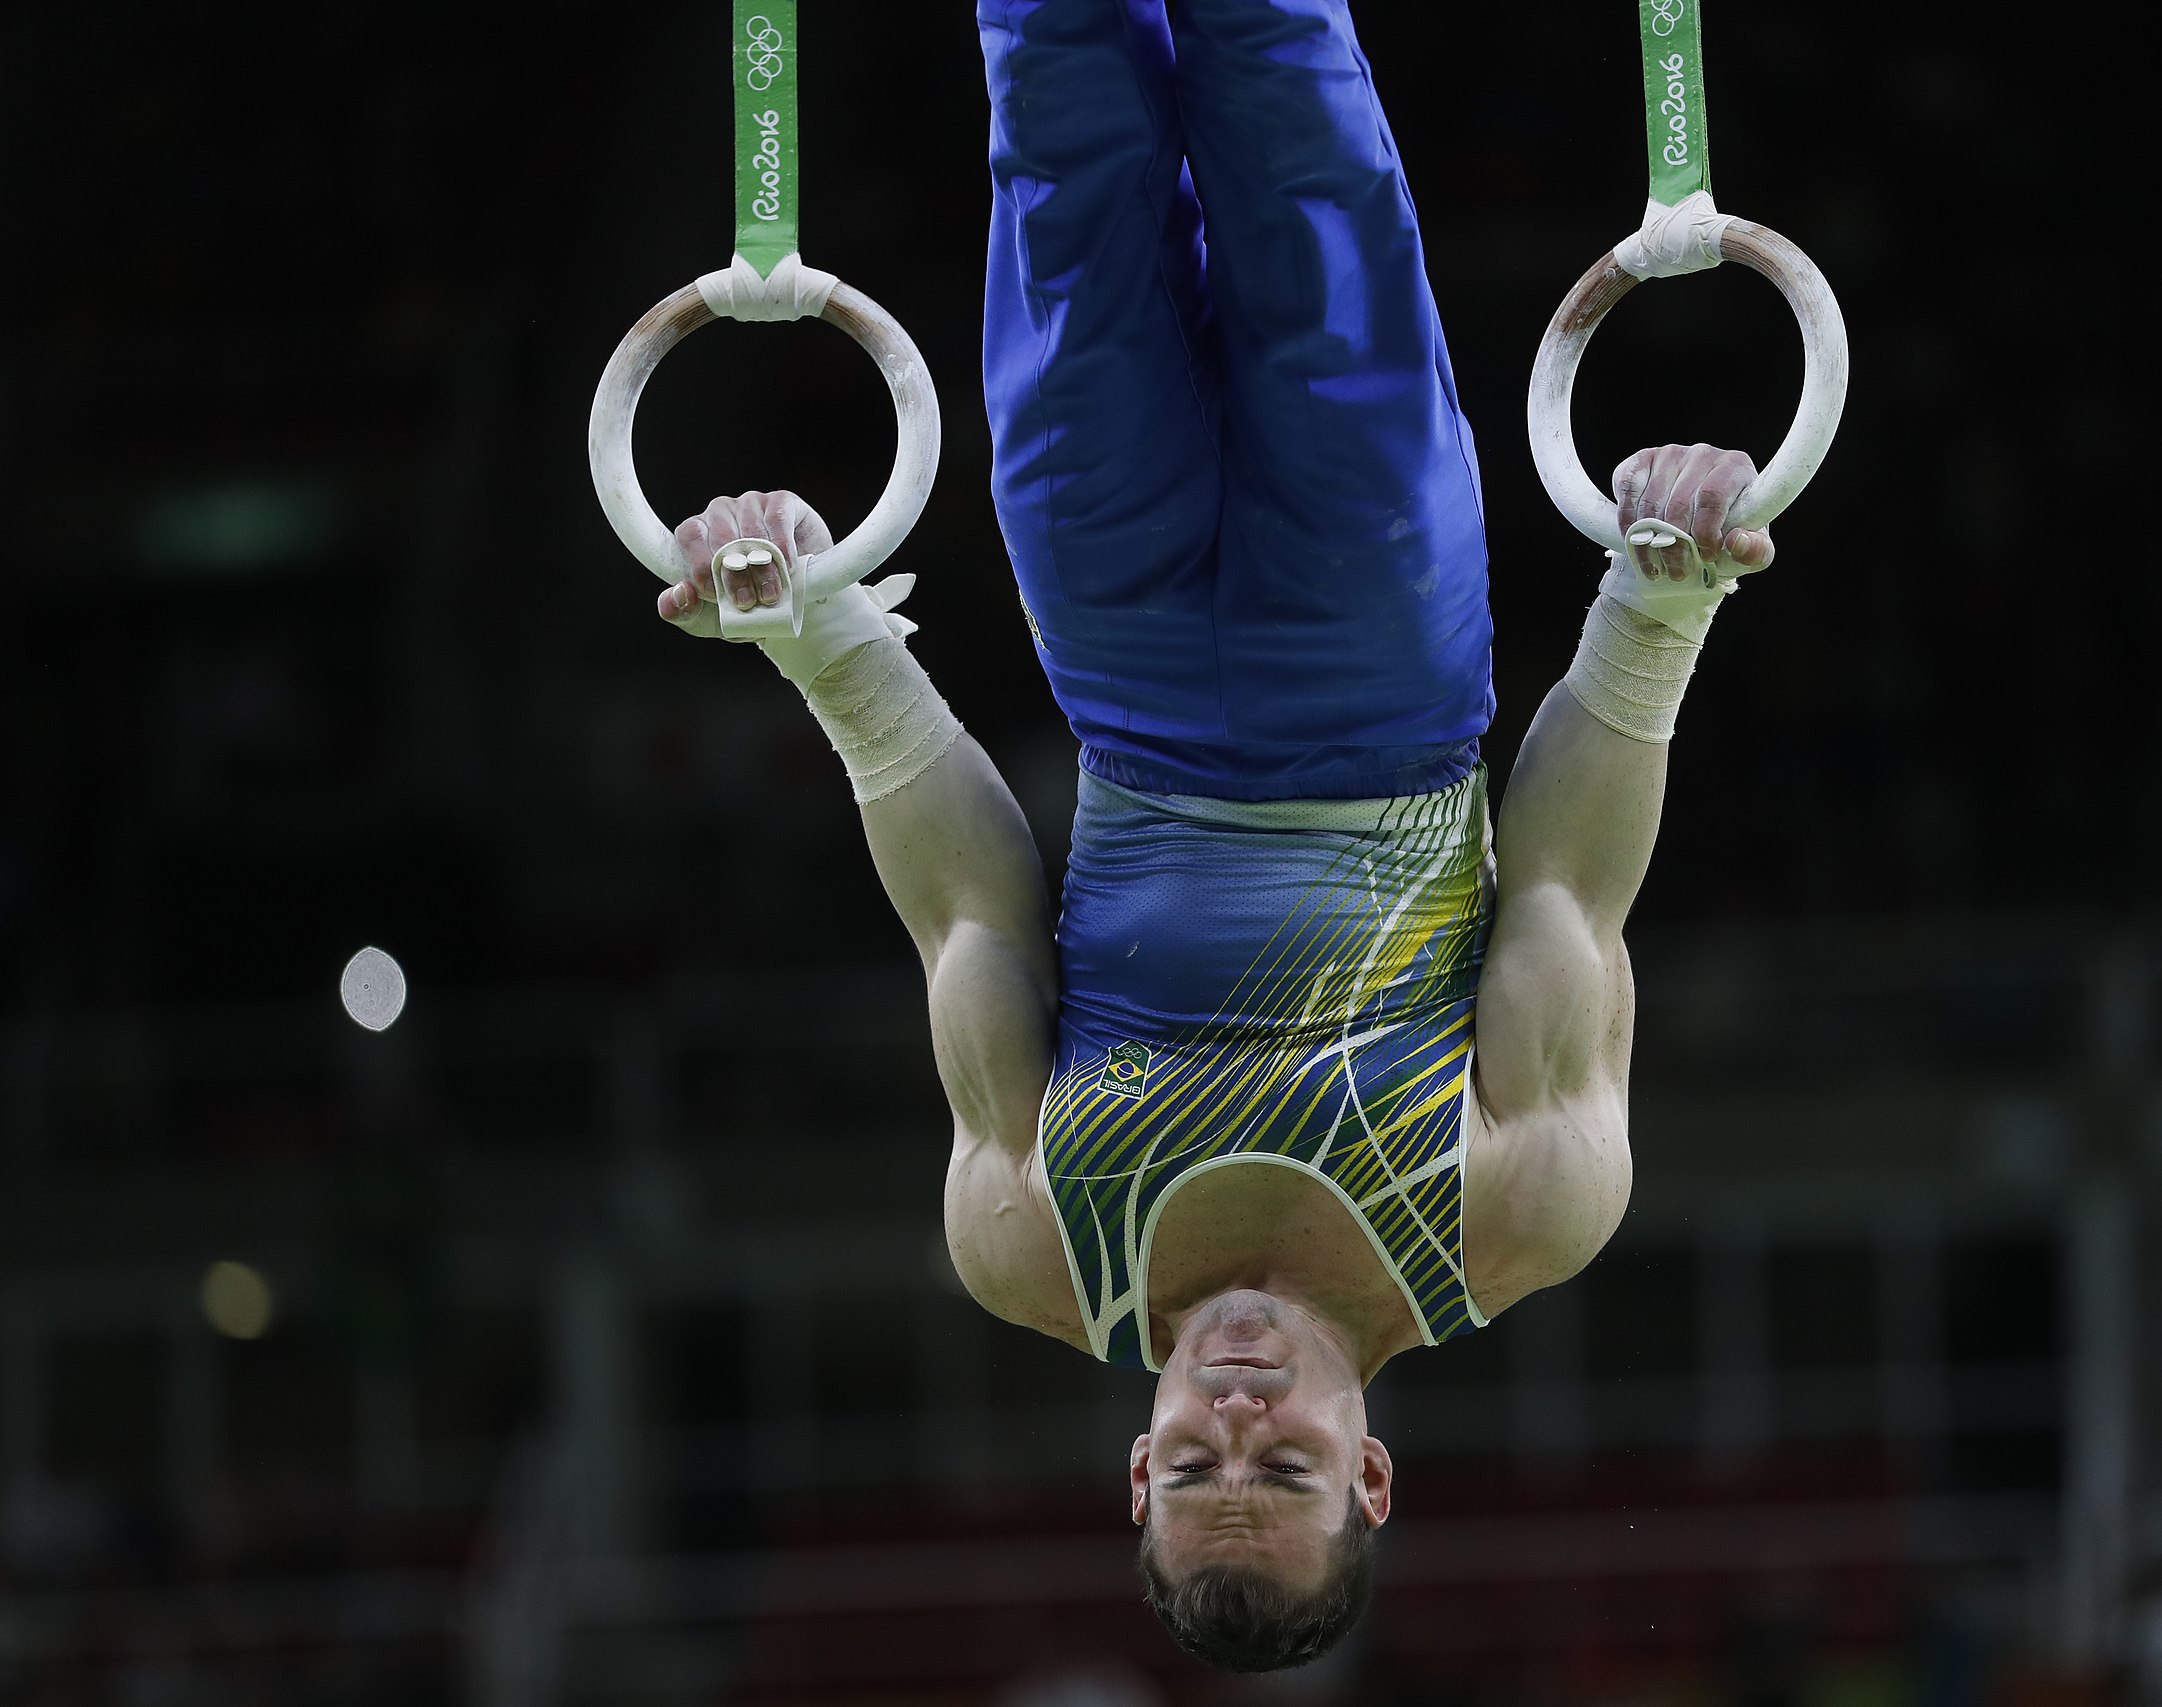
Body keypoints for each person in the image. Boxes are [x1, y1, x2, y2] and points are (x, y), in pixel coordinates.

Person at [653, 0, 1776, 1673]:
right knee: (1286, 117)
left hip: (1127, 673)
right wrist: (1657, 602)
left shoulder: (1036, 1242)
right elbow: (1565, 886)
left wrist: (820, 636)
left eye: (1196, 1463)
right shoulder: (1518, 1210)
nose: (1238, 1415)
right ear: (1372, 1473)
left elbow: (968, 912)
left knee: (1060, 131)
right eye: (1288, 1463)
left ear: (1134, 1468)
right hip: (1378, 667)